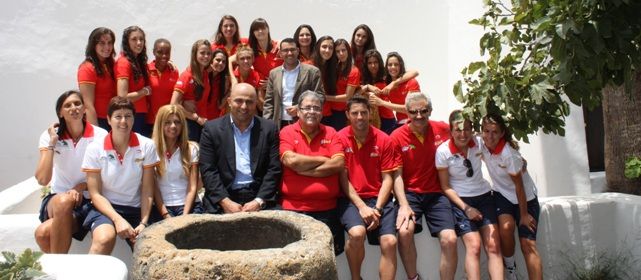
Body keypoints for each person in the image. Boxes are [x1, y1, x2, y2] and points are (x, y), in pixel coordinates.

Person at [391, 92, 458, 280]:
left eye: (423, 111)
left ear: (430, 111)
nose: (419, 116)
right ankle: (414, 278)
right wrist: (403, 204)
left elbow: (469, 136)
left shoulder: (443, 129)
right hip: (410, 195)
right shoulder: (396, 136)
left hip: (438, 194)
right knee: (404, 233)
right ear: (406, 112)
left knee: (450, 239)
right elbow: (396, 175)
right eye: (413, 112)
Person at [34, 90, 108, 254]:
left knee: (43, 234)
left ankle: (57, 271)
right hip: (58, 200)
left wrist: (81, 187)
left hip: (89, 200)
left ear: (84, 109)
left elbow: (106, 174)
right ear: (60, 112)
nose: (73, 108)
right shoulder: (49, 137)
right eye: (67, 105)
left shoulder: (101, 135)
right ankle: (61, 270)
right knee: (63, 201)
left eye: (77, 103)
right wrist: (52, 144)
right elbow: (42, 179)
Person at [82, 96, 158, 253]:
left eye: (128, 116)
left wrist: (143, 223)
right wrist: (117, 219)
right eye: (118, 116)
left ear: (133, 119)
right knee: (104, 239)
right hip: (106, 208)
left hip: (137, 209)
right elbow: (95, 194)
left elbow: (147, 189)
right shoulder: (95, 148)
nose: (123, 121)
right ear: (109, 120)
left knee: (149, 249)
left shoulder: (147, 145)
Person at [436, 110, 503, 280]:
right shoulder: (443, 151)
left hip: (484, 196)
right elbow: (445, 186)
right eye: (458, 130)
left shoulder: (479, 143)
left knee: (494, 246)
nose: (463, 134)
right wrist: (466, 208)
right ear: (451, 131)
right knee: (474, 246)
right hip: (461, 201)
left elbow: (500, 148)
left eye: (467, 129)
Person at [337, 96, 399, 280]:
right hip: (351, 199)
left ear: (370, 114)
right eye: (355, 113)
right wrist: (362, 207)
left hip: (379, 199)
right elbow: (342, 178)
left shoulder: (384, 139)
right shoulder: (339, 138)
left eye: (364, 112)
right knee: (357, 234)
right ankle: (356, 278)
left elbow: (388, 178)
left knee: (390, 241)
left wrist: (377, 209)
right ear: (348, 115)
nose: (360, 117)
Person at [279, 90, 345, 255]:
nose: (311, 112)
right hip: (293, 210)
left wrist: (302, 170)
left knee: (326, 259)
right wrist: (324, 158)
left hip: (327, 210)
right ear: (298, 111)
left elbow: (338, 163)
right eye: (307, 108)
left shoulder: (331, 132)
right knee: (293, 260)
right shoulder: (286, 132)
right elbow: (291, 161)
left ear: (322, 113)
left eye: (316, 108)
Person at [199, 83, 281, 214]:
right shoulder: (211, 129)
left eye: (249, 102)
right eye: (239, 101)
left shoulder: (268, 129)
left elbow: (274, 169)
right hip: (224, 196)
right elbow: (208, 170)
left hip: (258, 195)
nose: (244, 106)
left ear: (256, 104)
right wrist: (225, 202)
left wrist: (259, 201)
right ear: (229, 101)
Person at [480, 113, 542, 280]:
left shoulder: (509, 153)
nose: (490, 136)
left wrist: (523, 215)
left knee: (527, 244)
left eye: (494, 132)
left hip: (525, 198)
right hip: (502, 196)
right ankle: (511, 268)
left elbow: (519, 186)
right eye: (486, 131)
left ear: (502, 134)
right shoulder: (481, 145)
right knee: (506, 228)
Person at [151, 105, 203, 218]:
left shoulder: (192, 148)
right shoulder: (150, 149)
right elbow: (153, 187)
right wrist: (166, 215)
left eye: (177, 122)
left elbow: (193, 186)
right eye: (167, 122)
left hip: (189, 206)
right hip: (160, 208)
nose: (173, 126)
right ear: (160, 124)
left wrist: (184, 216)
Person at [263, 38, 324, 130]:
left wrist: (300, 107)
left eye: (292, 49)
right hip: (278, 124)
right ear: (280, 53)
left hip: (303, 122)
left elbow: (320, 96)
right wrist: (267, 124)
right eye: (285, 50)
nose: (289, 53)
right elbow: (269, 102)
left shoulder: (312, 72)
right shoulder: (274, 73)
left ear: (298, 51)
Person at [362, 50, 420, 134]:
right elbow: (365, 92)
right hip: (399, 123)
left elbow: (409, 109)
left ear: (401, 66)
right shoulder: (386, 83)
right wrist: (367, 87)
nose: (393, 67)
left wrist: (394, 83)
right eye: (390, 65)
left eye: (396, 64)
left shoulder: (411, 82)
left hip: (413, 123)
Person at [171, 39, 214, 141]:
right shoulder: (187, 75)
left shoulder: (205, 74)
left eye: (209, 53)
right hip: (190, 123)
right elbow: (174, 104)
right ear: (195, 54)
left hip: (203, 122)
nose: (206, 56)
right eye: (202, 53)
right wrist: (195, 117)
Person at [78, 27, 117, 131]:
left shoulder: (111, 64)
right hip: (99, 121)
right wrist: (95, 133)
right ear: (93, 45)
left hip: (115, 120)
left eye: (110, 43)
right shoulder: (87, 68)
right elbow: (88, 105)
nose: (107, 47)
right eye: (102, 43)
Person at [115, 26, 151, 136]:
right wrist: (145, 91)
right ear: (127, 42)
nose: (139, 43)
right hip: (131, 115)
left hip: (140, 114)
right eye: (134, 39)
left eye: (141, 39)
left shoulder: (138, 61)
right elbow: (122, 97)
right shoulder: (124, 62)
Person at [323, 39, 360, 132]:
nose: (341, 53)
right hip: (327, 110)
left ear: (348, 51)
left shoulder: (354, 71)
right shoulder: (333, 67)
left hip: (341, 112)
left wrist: (325, 97)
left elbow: (347, 97)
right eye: (337, 51)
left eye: (343, 50)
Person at [146, 38, 178, 127]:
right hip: (149, 121)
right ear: (154, 52)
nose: (164, 56)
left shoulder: (174, 72)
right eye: (160, 52)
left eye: (167, 52)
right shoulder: (146, 70)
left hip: (167, 121)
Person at [310, 36, 338, 126]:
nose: (327, 50)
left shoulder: (332, 68)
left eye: (330, 48)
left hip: (327, 114)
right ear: (318, 47)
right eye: (324, 47)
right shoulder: (307, 66)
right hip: (311, 113)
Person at [230, 45, 263, 110]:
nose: (246, 61)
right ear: (237, 61)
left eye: (248, 58)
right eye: (242, 58)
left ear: (253, 59)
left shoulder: (258, 76)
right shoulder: (231, 76)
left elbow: (261, 105)